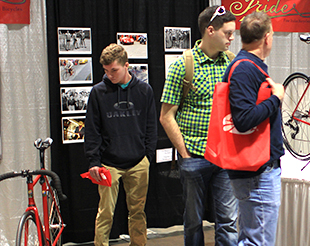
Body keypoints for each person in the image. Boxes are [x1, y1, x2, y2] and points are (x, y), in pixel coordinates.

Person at [159, 5, 238, 246]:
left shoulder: (233, 63)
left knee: (228, 221)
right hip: (195, 155)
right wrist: (184, 154)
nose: (232, 38)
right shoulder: (183, 65)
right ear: (210, 30)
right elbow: (166, 115)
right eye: (228, 33)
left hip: (225, 157)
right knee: (193, 221)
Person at [84, 43, 157, 246]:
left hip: (137, 161)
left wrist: (147, 156)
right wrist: (94, 162)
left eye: (114, 70)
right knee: (105, 212)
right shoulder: (98, 92)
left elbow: (151, 125)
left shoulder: (144, 90)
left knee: (137, 211)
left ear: (127, 65)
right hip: (108, 163)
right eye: (106, 71)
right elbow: (92, 130)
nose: (110, 75)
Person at [222, 11, 284, 245]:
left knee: (253, 238)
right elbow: (244, 119)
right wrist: (276, 99)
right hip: (256, 172)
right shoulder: (245, 69)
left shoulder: (247, 66)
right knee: (257, 241)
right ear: (267, 38)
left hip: (257, 169)